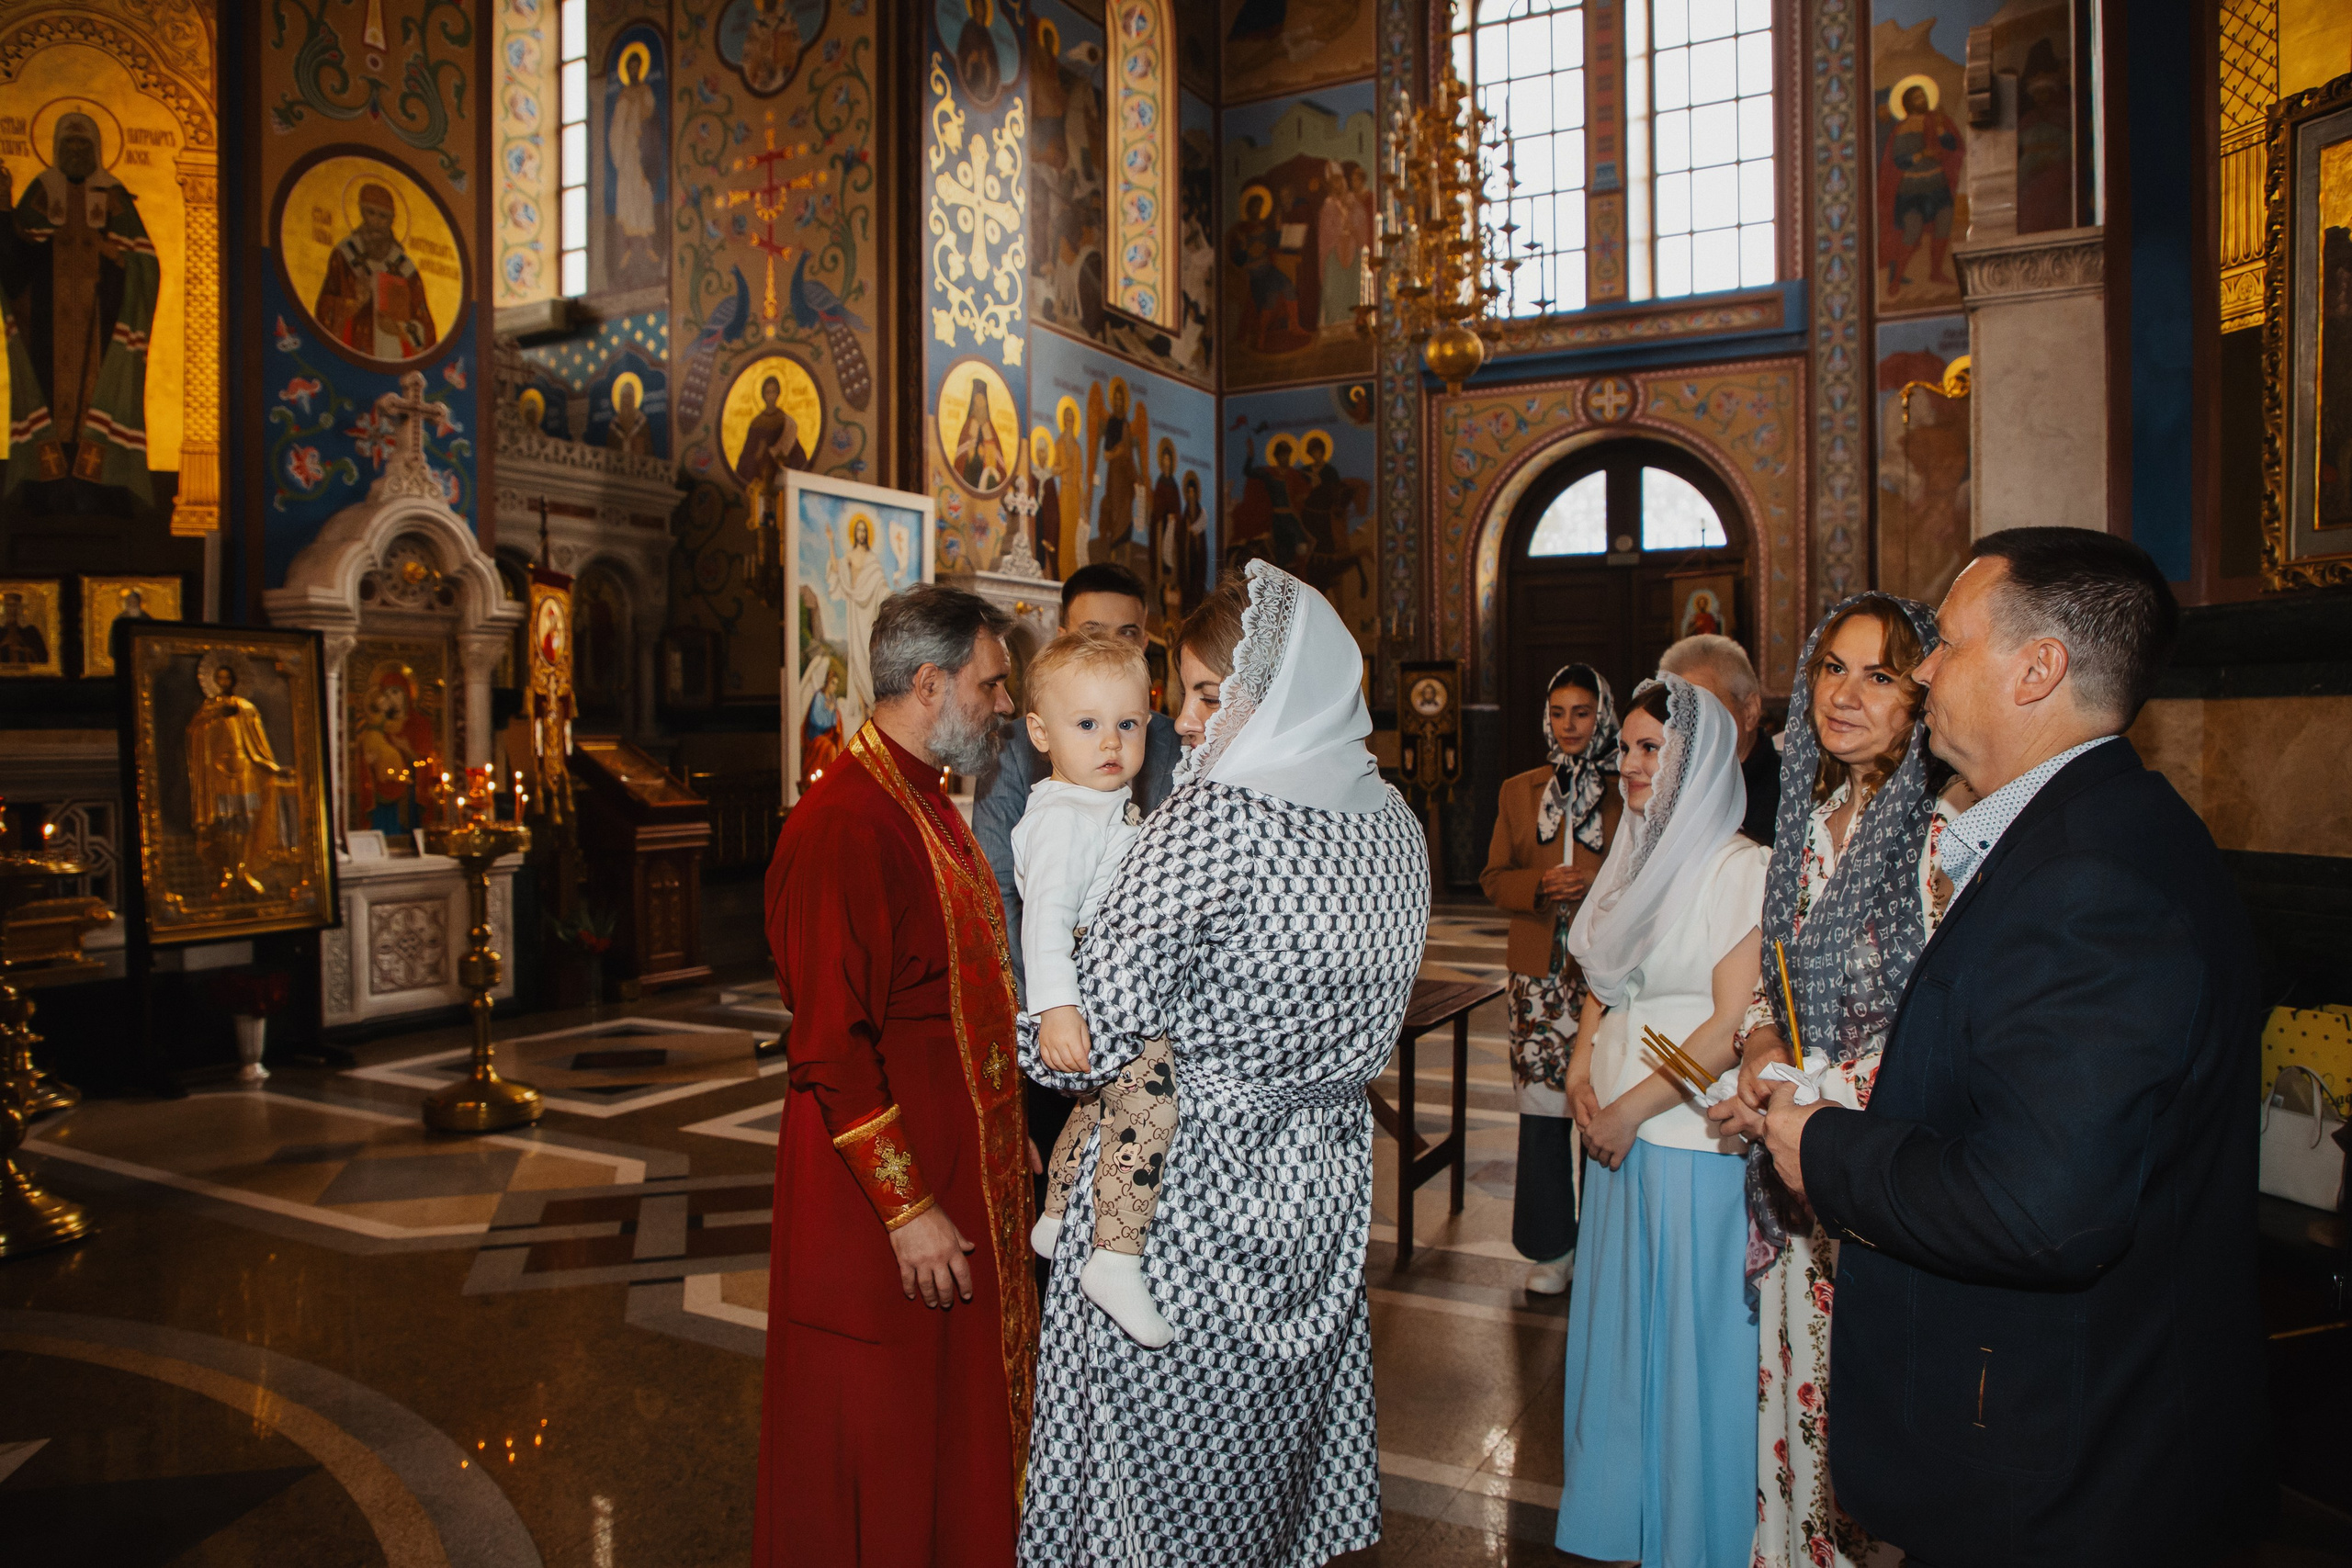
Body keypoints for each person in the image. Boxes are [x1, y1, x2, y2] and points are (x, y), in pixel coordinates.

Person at [1758, 528, 2264, 1568]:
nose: (1925, 668)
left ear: (2039, 669)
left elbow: (2042, 1207)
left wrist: (1826, 1148)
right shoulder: (2086, 831)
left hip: (2063, 1465)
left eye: (1944, 643)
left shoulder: (2091, 880)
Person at [1019, 562, 1430, 1567]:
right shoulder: (1397, 823)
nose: (1186, 727)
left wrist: (1035, 1008)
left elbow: (1086, 1049)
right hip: (1323, 1184)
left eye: (1209, 695)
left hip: (1183, 1196)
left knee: (1151, 1483)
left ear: (1278, 687)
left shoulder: (1216, 820)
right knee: (1264, 1460)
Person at [755, 584, 1033, 1568]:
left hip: (962, 1169)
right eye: (991, 684)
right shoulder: (845, 824)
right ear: (930, 683)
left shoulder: (924, 797)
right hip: (883, 1202)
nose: (1004, 705)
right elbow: (832, 1043)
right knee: (885, 1431)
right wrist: (908, 1207)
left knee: (947, 1429)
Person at [1703, 593, 1974, 1568]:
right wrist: (1758, 1053)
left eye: (1878, 674)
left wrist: (1804, 1095)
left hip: (1878, 1173)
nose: (1845, 694)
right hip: (1795, 1181)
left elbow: (1945, 1023)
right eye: (1830, 668)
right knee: (1794, 1414)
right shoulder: (1812, 826)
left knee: (1870, 1445)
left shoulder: (1943, 837)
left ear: (1923, 694)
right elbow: (1775, 985)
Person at [1556, 671, 1765, 1568]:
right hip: (1614, 1135)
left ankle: (1694, 1537)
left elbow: (1727, 1028)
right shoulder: (1634, 855)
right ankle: (1620, 1519)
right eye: (1628, 747)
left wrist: (1635, 1107)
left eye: (1651, 749)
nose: (1629, 764)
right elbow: (1610, 987)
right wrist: (1578, 1063)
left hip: (1684, 1141)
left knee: (1686, 1352)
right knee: (1622, 1340)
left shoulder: (1736, 866)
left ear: (1699, 760)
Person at [1016, 632, 1175, 1348]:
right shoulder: (1062, 819)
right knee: (1148, 1103)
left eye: (1128, 723)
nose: (1110, 741)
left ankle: (1054, 1216)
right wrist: (1056, 1007)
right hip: (1087, 990)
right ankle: (1115, 1255)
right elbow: (1044, 918)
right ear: (1040, 732)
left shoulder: (1094, 801)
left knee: (1092, 1107)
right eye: (1087, 724)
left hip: (1106, 985)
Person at [974, 562, 1182, 999]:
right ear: (1063, 636)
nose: (1111, 742)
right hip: (1075, 989)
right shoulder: (1018, 751)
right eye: (1090, 631)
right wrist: (1053, 1006)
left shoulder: (1172, 737)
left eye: (1125, 633)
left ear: (1144, 642)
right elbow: (1009, 894)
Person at [1480, 664, 1622, 1294]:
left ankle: (1601, 1245)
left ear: (1603, 715)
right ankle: (1551, 1249)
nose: (1569, 725)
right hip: (1536, 977)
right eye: (1559, 712)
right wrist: (1539, 885)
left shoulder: (1629, 788)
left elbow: (1647, 876)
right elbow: (1493, 878)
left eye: (1582, 712)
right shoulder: (1520, 790)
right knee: (1541, 1113)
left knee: (1599, 1105)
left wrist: (1594, 885)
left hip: (1604, 975)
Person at [0, 110, 159, 495]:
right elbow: (12, 265)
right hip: (47, 329)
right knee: (49, 402)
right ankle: (45, 488)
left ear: (97, 149)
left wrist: (118, 257)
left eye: (82, 144)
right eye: (68, 144)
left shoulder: (114, 197)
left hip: (102, 325)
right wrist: (4, 207)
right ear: (55, 148)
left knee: (99, 401)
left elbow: (146, 264)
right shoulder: (39, 192)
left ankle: (100, 489)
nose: (75, 151)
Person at [1662, 631, 1780, 845]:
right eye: (1680, 712)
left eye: (1706, 707)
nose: (1691, 724)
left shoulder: (1792, 792)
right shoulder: (1665, 786)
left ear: (1750, 711)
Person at [313, 183, 436, 361]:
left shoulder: (405, 268)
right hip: (354, 356)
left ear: (391, 220)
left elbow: (426, 327)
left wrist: (399, 329)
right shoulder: (344, 255)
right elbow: (323, 311)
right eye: (371, 213)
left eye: (383, 216)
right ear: (362, 214)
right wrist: (353, 303)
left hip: (395, 359)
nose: (377, 222)